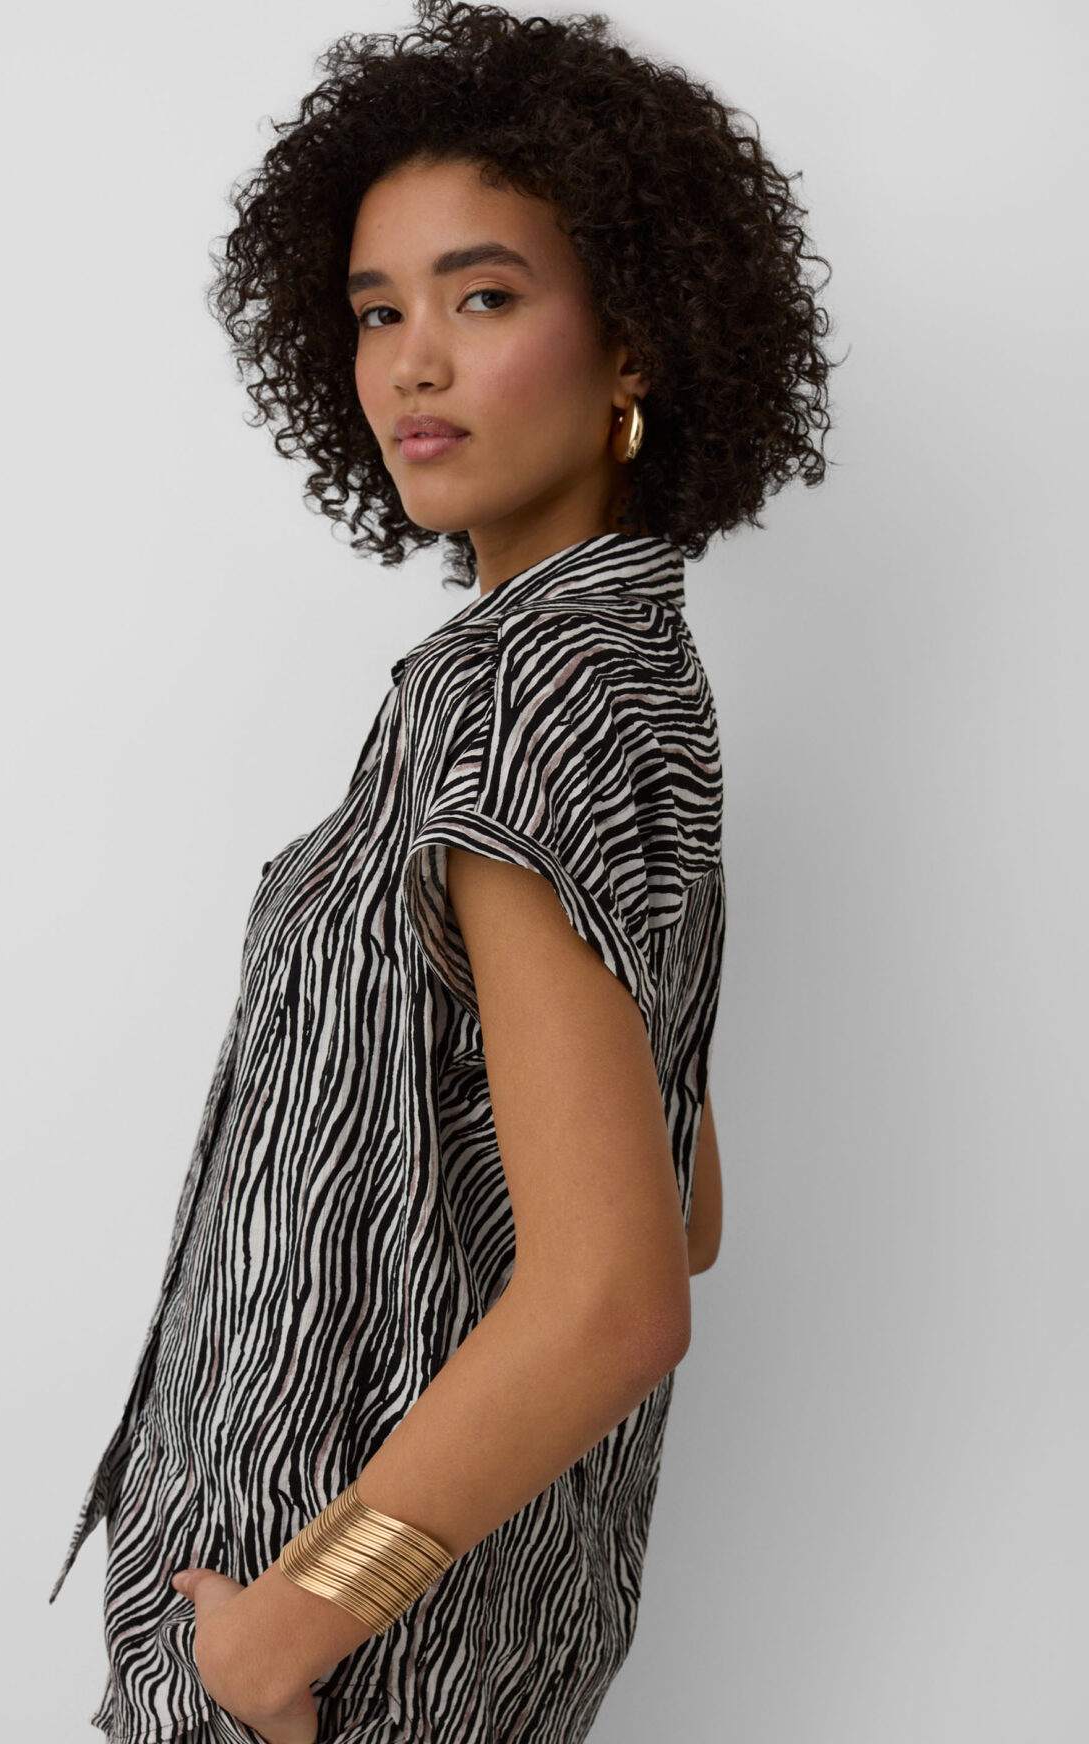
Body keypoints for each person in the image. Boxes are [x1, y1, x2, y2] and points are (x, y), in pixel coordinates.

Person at [48, 4, 837, 1741]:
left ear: (633, 342)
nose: (412, 364)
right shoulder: (625, 680)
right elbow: (676, 1203)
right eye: (376, 312)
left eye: (482, 299)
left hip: (334, 1672)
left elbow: (618, 1298)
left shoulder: (514, 699)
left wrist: (281, 1636)